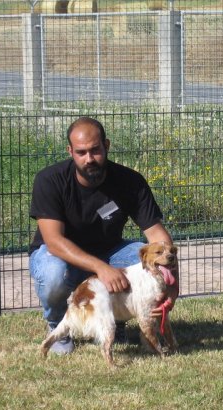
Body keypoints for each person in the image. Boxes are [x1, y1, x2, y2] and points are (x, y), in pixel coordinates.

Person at [28, 116, 179, 354]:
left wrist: (171, 283)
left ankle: (117, 320)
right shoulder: (50, 180)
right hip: (59, 255)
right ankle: (59, 325)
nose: (89, 159)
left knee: (145, 257)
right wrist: (101, 268)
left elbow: (158, 237)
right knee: (53, 273)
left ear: (106, 145)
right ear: (70, 151)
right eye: (81, 152)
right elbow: (54, 242)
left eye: (95, 150)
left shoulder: (130, 181)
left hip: (110, 252)